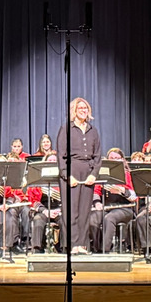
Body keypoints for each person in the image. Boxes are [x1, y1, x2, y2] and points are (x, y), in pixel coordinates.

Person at [56, 97, 101, 255]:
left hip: (88, 172)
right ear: (74, 111)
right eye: (80, 108)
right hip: (71, 171)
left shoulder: (93, 130)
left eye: (85, 108)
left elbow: (98, 156)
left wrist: (94, 174)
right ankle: (73, 244)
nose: (83, 110)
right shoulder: (66, 129)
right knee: (71, 211)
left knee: (84, 211)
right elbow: (61, 155)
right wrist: (67, 175)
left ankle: (82, 245)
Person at [89, 148, 136, 253]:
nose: (114, 160)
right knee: (93, 218)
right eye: (112, 158)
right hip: (107, 207)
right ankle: (96, 248)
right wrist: (97, 203)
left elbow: (134, 196)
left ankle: (105, 250)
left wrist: (122, 190)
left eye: (117, 158)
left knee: (109, 218)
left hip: (125, 208)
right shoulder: (102, 175)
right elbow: (96, 191)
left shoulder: (127, 175)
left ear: (122, 160)